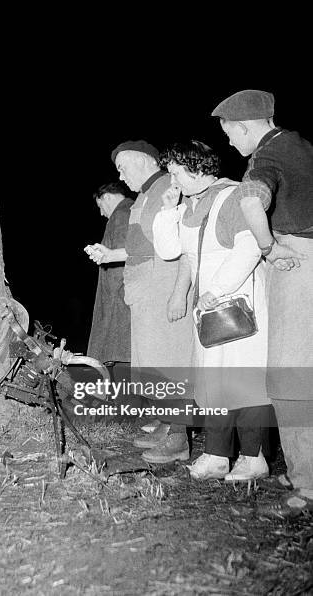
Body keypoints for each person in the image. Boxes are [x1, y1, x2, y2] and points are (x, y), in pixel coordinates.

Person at [211, 90, 313, 514]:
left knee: (290, 377)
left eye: (230, 134)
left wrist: (269, 248)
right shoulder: (302, 144)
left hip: (297, 263)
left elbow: (252, 199)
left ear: (246, 126)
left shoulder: (266, 156)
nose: (231, 143)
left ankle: (307, 485)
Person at [153, 140, 272, 481]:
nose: (172, 180)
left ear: (199, 168)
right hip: (210, 307)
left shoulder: (231, 196)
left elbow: (249, 249)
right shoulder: (192, 204)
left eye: (176, 173)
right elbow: (172, 251)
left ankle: (254, 459)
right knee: (214, 382)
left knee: (243, 381)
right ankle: (217, 456)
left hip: (237, 302)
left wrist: (216, 290)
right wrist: (168, 209)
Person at [85, 140, 193, 464]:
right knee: (152, 366)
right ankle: (165, 427)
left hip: (163, 292)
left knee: (169, 365)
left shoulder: (166, 188)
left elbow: (182, 244)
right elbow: (143, 248)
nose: (120, 174)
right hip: (144, 296)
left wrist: (180, 292)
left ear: (144, 160)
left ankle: (178, 439)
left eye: (123, 167)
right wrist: (111, 254)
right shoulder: (144, 197)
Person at [86, 182, 133, 366]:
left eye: (100, 206)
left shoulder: (121, 214)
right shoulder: (129, 210)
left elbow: (124, 254)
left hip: (120, 300)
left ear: (107, 197)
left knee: (120, 353)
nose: (101, 213)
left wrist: (111, 301)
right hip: (121, 299)